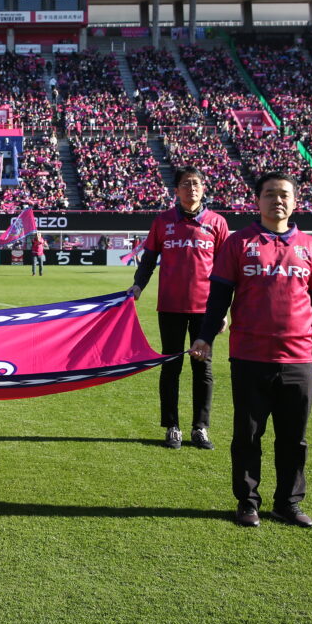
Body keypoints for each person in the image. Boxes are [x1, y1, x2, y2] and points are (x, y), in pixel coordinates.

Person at [188, 172, 312, 529]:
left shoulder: (310, 247)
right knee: (248, 436)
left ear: (295, 202)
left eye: (284, 194)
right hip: (250, 355)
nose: (277, 200)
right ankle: (247, 502)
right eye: (270, 194)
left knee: (293, 438)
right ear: (257, 200)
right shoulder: (238, 243)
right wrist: (205, 336)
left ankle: (288, 504)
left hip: (298, 357)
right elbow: (219, 296)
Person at [130, 167, 229, 450]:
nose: (191, 188)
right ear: (176, 191)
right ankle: (172, 426)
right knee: (171, 367)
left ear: (203, 188)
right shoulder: (163, 221)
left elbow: (226, 271)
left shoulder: (217, 223)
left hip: (206, 310)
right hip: (170, 306)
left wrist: (222, 310)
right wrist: (138, 286)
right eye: (186, 184)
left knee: (203, 368)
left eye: (196, 183)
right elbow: (149, 259)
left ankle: (200, 428)